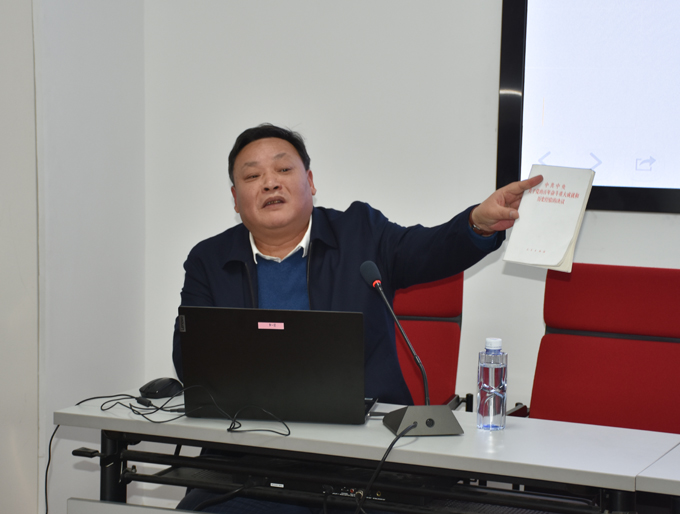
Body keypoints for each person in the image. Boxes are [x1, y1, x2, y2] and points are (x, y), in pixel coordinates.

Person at [174, 123, 542, 513]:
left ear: (309, 182)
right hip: (249, 455)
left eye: (283, 169)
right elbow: (192, 362)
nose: (270, 183)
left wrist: (477, 223)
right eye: (252, 176)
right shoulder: (209, 261)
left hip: (364, 451)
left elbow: (430, 249)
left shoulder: (360, 233)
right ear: (235, 199)